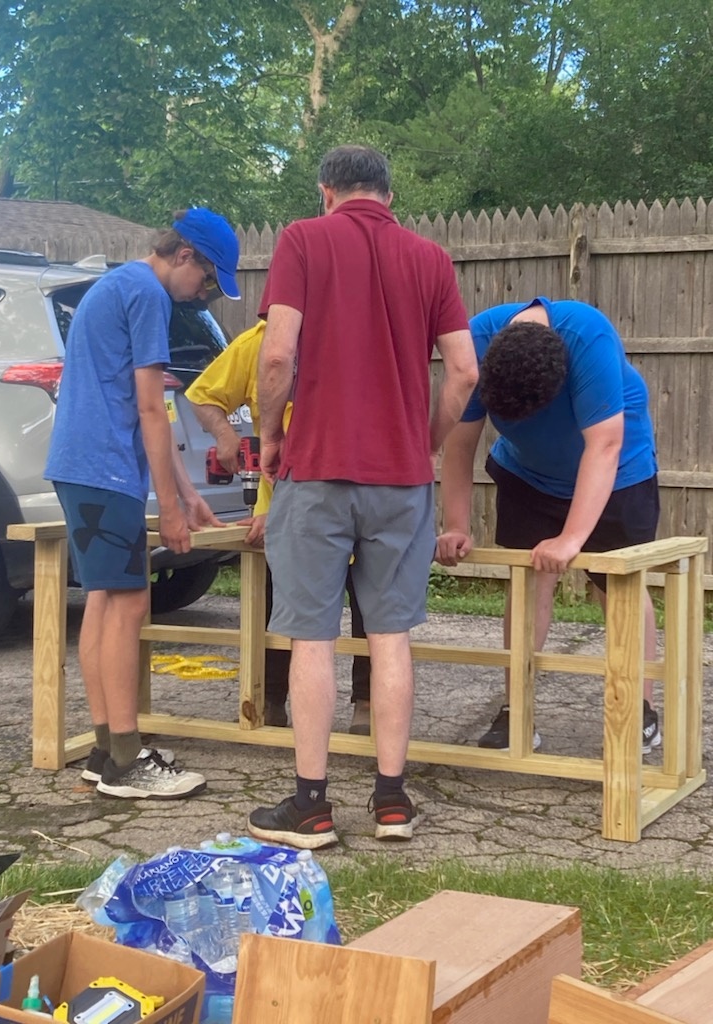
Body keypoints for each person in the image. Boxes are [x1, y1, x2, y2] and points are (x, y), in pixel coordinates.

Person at [248, 144, 478, 848]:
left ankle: (311, 807)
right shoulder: (430, 259)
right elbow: (465, 373)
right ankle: (391, 802)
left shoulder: (303, 240)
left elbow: (278, 353)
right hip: (401, 481)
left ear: (327, 191)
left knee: (312, 637)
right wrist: (427, 442)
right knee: (390, 639)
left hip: (317, 473)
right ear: (387, 193)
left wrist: (269, 435)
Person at [45, 207, 241, 799]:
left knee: (106, 600)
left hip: (84, 466)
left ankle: (107, 752)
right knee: (129, 604)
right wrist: (174, 508)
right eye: (207, 279)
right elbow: (153, 409)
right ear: (184, 256)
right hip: (104, 468)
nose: (203, 293)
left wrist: (186, 494)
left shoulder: (119, 283)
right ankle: (128, 762)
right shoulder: (149, 296)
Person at [436, 297, 662, 754]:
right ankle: (517, 708)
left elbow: (605, 444)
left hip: (618, 473)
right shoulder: (476, 344)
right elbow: (459, 445)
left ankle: (638, 711)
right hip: (528, 475)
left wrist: (572, 538)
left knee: (616, 587)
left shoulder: (588, 338)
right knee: (526, 585)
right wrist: (455, 524)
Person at [184, 319, 374, 733]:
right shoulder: (258, 342)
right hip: (282, 507)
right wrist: (225, 434)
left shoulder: (358, 332)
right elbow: (202, 395)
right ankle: (269, 699)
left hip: (357, 496)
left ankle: (367, 704)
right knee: (281, 607)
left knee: (370, 603)